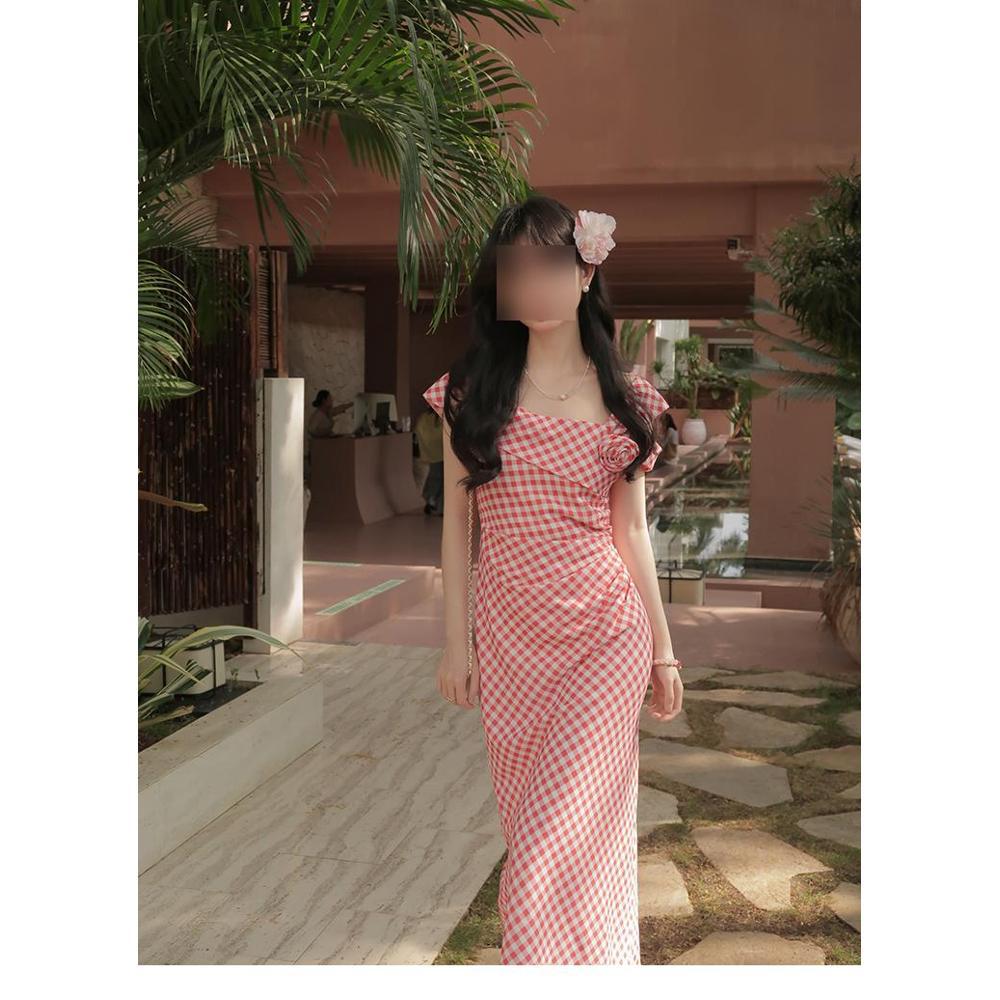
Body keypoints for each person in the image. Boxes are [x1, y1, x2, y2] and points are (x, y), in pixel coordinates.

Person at [421, 196, 683, 966]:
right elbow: (457, 526)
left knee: (544, 855)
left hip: (604, 638)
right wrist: (457, 644)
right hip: (511, 646)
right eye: (515, 269)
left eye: (548, 264)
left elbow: (632, 533)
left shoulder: (629, 398)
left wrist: (662, 650)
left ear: (585, 273)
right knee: (545, 838)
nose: (531, 282)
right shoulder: (468, 392)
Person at [305, 389, 352, 483]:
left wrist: (351, 404)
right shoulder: (318, 415)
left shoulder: (327, 413)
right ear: (324, 400)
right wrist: (325, 433)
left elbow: (338, 409)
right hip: (318, 450)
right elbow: (311, 429)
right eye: (330, 398)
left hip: (325, 449)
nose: (332, 400)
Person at [415, 399, 445, 515]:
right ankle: (434, 503)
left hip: (431, 453)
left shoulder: (424, 418)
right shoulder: (441, 418)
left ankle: (433, 503)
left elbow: (418, 432)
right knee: (438, 480)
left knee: (436, 478)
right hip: (440, 453)